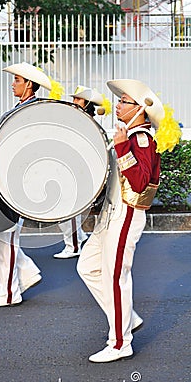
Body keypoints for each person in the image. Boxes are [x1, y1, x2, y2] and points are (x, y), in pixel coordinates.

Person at [77, 79, 181, 363]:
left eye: (124, 102)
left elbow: (139, 183)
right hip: (111, 215)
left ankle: (120, 342)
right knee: (86, 267)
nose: (118, 105)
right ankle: (127, 316)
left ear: (140, 110)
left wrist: (122, 148)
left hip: (125, 215)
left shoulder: (141, 139)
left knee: (115, 278)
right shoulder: (128, 136)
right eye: (121, 101)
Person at [0, 62, 57, 307]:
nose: (13, 84)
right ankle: (26, 272)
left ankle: (9, 292)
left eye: (18, 80)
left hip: (17, 181)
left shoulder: (30, 111)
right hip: (6, 177)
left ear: (29, 84)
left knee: (5, 235)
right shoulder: (22, 108)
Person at [53, 85, 112, 259]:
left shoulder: (88, 123)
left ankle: (73, 247)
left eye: (78, 99)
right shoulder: (80, 120)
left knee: (67, 210)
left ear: (87, 104)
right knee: (64, 210)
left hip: (79, 173)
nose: (74, 102)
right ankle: (78, 237)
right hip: (72, 171)